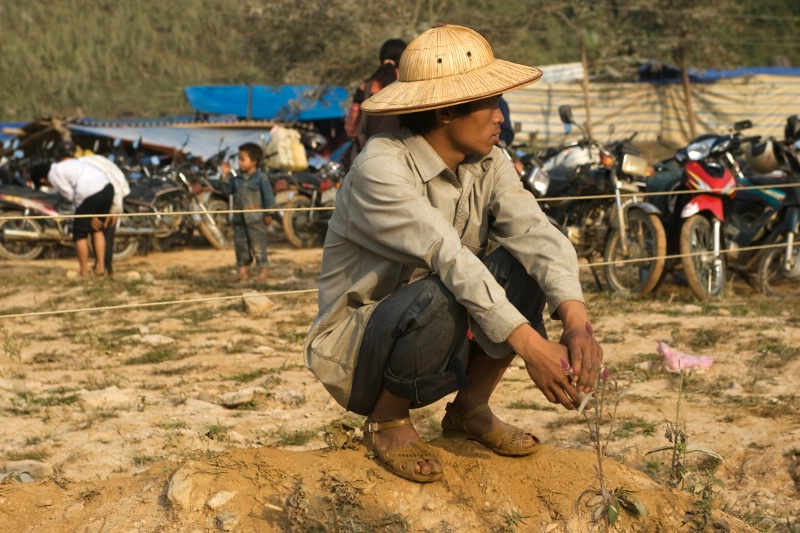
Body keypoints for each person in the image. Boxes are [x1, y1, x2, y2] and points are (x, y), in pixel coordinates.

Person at [304, 24, 603, 483]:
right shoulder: (381, 168)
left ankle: (470, 409)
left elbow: (536, 232)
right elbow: (448, 256)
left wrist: (577, 321)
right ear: (446, 111)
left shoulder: (490, 162)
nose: (501, 115)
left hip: (444, 327)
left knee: (520, 265)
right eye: (490, 102)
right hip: (362, 345)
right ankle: (388, 421)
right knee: (443, 288)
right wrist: (531, 346)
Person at [47, 140, 114, 279]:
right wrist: (89, 215)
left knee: (79, 234)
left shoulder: (55, 170)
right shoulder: (81, 163)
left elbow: (69, 194)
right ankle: (101, 268)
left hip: (89, 194)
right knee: (98, 229)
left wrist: (85, 215)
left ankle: (84, 273)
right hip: (108, 188)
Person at [341, 38, 407, 169]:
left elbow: (351, 128)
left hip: (369, 158)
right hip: (402, 157)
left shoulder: (364, 88)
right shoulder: (407, 85)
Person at [219, 142, 275, 283]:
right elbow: (226, 191)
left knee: (258, 246)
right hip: (239, 220)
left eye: (243, 159)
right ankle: (242, 272)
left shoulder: (261, 178)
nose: (240, 163)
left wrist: (269, 213)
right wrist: (224, 175)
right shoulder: (236, 178)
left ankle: (263, 270)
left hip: (255, 219)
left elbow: (268, 197)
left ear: (254, 161)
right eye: (239, 159)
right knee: (241, 246)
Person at [81, 151, 130, 276]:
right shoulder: (91, 161)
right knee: (98, 229)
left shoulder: (84, 166)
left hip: (112, 194)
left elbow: (114, 185)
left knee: (106, 230)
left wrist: (114, 209)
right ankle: (101, 265)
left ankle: (106, 267)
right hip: (107, 194)